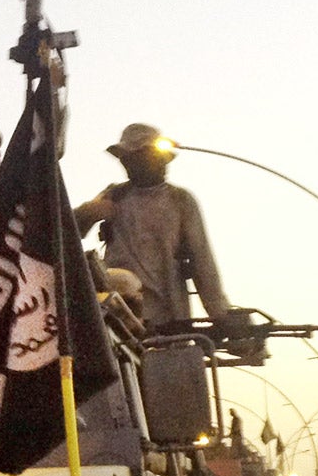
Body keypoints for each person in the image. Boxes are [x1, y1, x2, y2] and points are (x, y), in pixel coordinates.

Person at [73, 123, 233, 334]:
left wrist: (220, 314)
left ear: (159, 158)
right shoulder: (114, 195)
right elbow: (65, 231)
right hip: (120, 318)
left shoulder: (180, 201)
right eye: (127, 158)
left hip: (169, 318)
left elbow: (201, 260)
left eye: (140, 155)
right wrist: (90, 212)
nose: (130, 163)